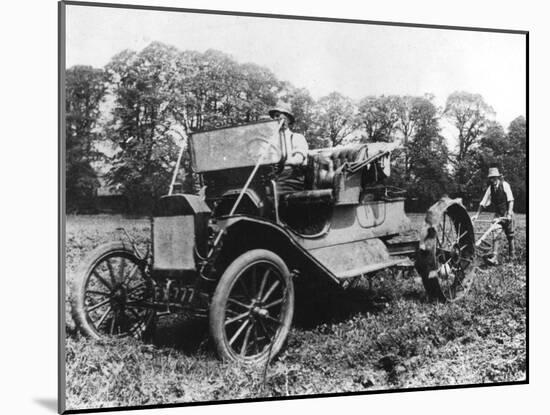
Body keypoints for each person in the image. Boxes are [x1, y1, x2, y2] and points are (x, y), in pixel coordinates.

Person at [472, 167, 515, 264]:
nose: (493, 180)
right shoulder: (490, 189)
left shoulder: (505, 185)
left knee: (510, 236)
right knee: (495, 233)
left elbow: (511, 200)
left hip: (507, 213)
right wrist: (477, 215)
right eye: (491, 178)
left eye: (495, 178)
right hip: (498, 214)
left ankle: (512, 258)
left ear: (498, 177)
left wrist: (509, 214)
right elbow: (483, 203)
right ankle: (494, 258)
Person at [269, 103, 309, 192]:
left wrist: (283, 162)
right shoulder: (269, 140)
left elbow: (299, 158)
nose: (275, 119)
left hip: (290, 178)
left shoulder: (297, 137)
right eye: (274, 117)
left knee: (271, 193)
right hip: (270, 177)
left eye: (278, 116)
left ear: (287, 119)